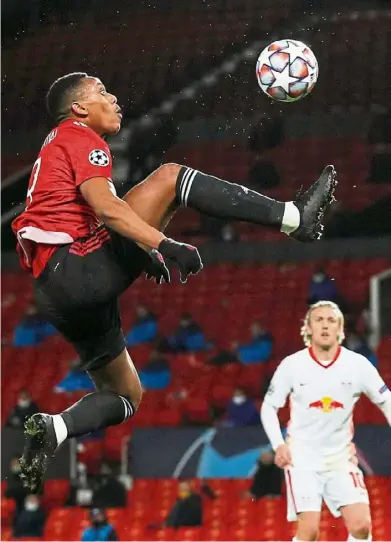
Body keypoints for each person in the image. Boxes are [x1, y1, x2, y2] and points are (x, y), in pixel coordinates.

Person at [12, 72, 336, 494]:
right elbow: (108, 208)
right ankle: (296, 218)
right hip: (77, 268)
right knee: (170, 177)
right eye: (102, 93)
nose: (114, 99)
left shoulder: (55, 147)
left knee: (126, 394)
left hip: (55, 293)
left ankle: (53, 430)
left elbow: (89, 219)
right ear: (79, 108)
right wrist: (163, 243)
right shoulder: (78, 137)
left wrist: (142, 250)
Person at [260, 301, 391, 542]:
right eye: (318, 320)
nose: (325, 325)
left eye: (331, 321)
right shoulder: (292, 365)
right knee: (309, 533)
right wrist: (278, 444)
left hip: (340, 458)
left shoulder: (357, 365)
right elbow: (269, 406)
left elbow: (386, 400)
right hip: (302, 459)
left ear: (340, 329)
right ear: (308, 328)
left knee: (362, 527)